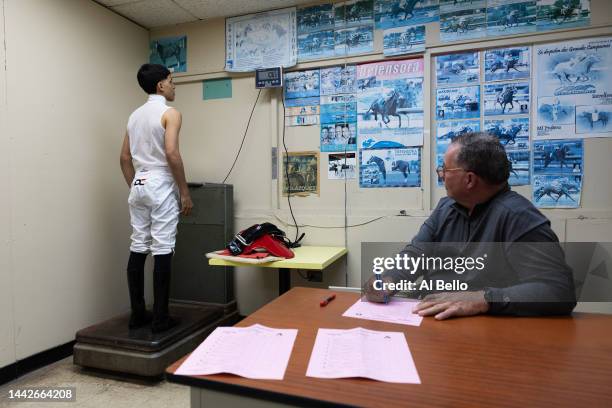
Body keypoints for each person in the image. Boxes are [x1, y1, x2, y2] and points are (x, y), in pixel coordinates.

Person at [364, 133, 576, 319]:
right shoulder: (445, 208)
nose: (441, 175)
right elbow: (414, 255)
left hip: (487, 332)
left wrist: (482, 299)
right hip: (431, 319)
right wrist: (388, 278)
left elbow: (559, 291)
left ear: (469, 180)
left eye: (445, 169)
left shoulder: (518, 217)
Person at [119, 64, 193, 333]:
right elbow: (172, 153)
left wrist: (136, 187)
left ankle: (138, 314)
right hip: (161, 181)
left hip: (138, 182)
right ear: (161, 85)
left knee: (139, 244)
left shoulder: (134, 116)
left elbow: (124, 158)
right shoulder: (170, 113)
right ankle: (161, 318)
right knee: (162, 247)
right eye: (171, 81)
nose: (174, 86)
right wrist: (184, 192)